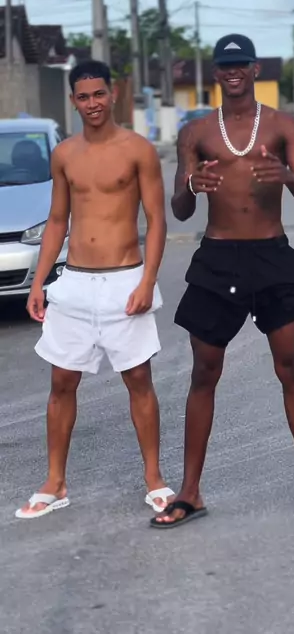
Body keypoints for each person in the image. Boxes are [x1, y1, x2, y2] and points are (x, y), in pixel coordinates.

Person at [151, 32, 294, 529]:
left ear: (254, 69)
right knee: (204, 372)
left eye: (241, 64)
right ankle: (190, 492)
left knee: (292, 369)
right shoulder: (196, 132)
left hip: (271, 255)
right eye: (226, 65)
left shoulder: (285, 126)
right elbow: (180, 208)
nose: (233, 72)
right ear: (216, 72)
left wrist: (286, 176)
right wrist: (191, 185)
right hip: (218, 256)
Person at [16, 60, 174, 519]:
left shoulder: (138, 150)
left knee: (138, 380)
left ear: (113, 94)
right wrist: (39, 282)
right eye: (83, 97)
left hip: (126, 279)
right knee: (61, 382)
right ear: (73, 101)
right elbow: (57, 221)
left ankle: (154, 479)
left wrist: (148, 280)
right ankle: (55, 483)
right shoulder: (65, 154)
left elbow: (157, 221)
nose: (92, 104)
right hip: (76, 281)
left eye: (99, 94)